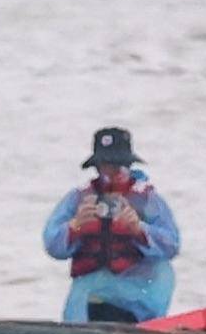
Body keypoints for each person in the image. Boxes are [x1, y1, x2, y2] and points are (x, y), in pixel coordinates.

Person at [41, 125, 180, 323]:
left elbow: (172, 245)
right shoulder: (79, 198)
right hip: (88, 297)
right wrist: (74, 227)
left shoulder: (148, 200)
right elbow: (51, 244)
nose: (111, 172)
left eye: (118, 166)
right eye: (104, 165)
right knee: (86, 309)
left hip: (138, 293)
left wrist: (139, 230)